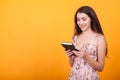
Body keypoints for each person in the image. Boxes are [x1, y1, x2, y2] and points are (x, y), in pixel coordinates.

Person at [64, 6, 107, 80]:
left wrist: (86, 56)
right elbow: (72, 64)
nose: (80, 23)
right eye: (78, 20)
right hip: (74, 76)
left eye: (84, 19)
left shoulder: (99, 39)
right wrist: (70, 56)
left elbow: (100, 68)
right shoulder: (75, 37)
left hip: (90, 77)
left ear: (91, 19)